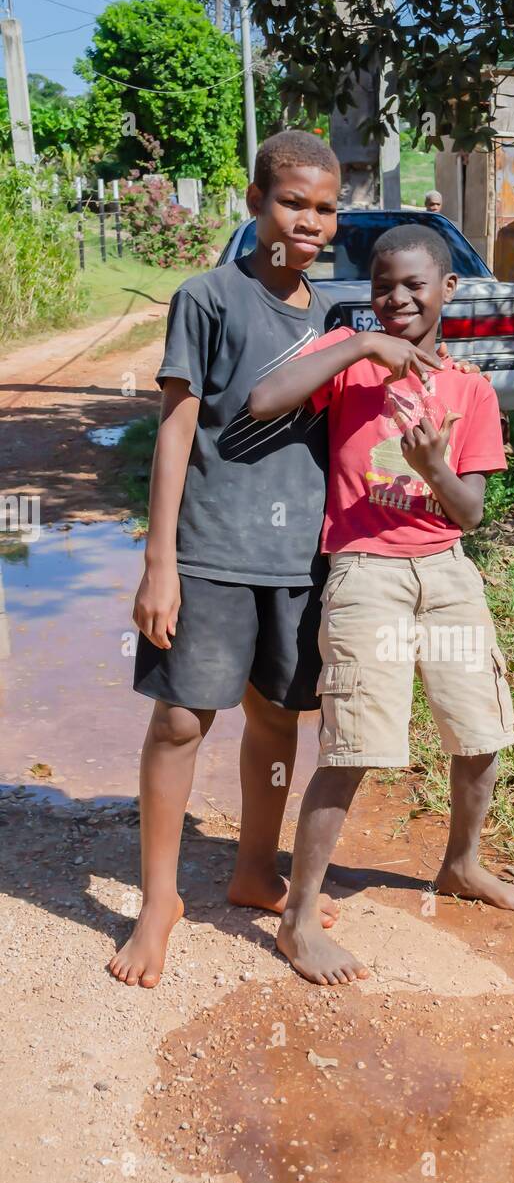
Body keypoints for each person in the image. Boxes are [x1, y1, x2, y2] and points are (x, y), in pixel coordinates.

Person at [248, 224, 514, 986]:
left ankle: (459, 864)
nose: (397, 298)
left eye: (414, 285)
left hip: (444, 572)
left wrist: (436, 468)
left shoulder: (469, 389)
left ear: (448, 290)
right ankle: (299, 918)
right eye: (383, 287)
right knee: (355, 747)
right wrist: (360, 346)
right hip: (365, 574)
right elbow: (263, 398)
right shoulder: (351, 368)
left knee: (478, 731)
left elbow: (470, 513)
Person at [110, 131, 341, 988]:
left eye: (323, 207)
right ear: (254, 202)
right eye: (291, 202)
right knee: (179, 721)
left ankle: (253, 868)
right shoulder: (206, 297)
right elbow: (177, 429)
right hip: (209, 549)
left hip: (296, 560)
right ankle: (156, 901)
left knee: (278, 721)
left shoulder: (334, 318)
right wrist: (158, 560)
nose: (307, 221)